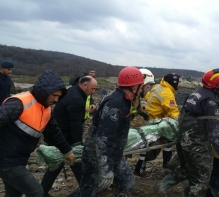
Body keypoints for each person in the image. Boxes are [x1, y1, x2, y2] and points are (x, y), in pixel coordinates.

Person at [154, 69, 219, 197]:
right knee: (201, 178)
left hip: (183, 140)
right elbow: (215, 131)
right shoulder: (211, 101)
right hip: (197, 145)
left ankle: (163, 185)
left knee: (187, 169)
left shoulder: (195, 94)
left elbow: (181, 117)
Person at [69, 66, 144, 197]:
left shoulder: (123, 100)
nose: (142, 89)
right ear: (134, 88)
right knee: (87, 190)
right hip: (97, 155)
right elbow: (104, 138)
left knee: (127, 183)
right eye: (141, 86)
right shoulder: (116, 104)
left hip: (114, 154)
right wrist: (106, 170)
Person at [0, 69, 75, 197]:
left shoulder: (46, 109)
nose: (57, 100)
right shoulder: (19, 103)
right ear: (44, 92)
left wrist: (67, 151)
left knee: (14, 193)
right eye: (54, 95)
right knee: (36, 192)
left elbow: (54, 133)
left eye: (59, 96)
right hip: (6, 160)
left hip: (19, 159)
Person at [41, 76, 98, 196]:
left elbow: (75, 122)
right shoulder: (76, 99)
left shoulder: (74, 91)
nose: (93, 92)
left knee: (58, 163)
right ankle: (86, 189)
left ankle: (42, 191)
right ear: (84, 86)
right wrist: (78, 144)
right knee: (75, 161)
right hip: (61, 136)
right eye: (92, 89)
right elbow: (75, 125)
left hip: (58, 133)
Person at [136, 73, 180, 177]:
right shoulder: (167, 93)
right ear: (174, 83)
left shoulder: (157, 87)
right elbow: (173, 112)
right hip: (155, 124)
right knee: (149, 147)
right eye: (178, 82)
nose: (179, 85)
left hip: (147, 120)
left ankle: (164, 165)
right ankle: (140, 169)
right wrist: (181, 124)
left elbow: (147, 97)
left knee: (162, 142)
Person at [130, 68, 156, 178]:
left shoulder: (135, 97)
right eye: (148, 85)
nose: (149, 88)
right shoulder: (127, 99)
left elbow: (137, 108)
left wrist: (143, 113)